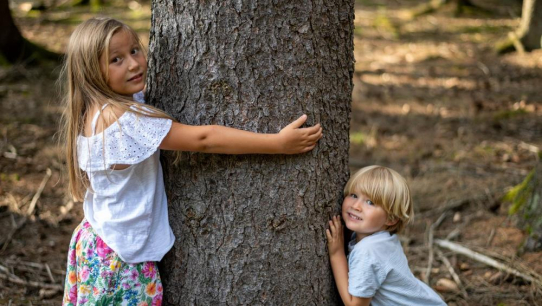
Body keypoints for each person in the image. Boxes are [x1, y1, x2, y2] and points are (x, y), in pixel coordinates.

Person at [60, 17, 322, 305]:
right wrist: (276, 143)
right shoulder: (123, 120)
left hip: (95, 241)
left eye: (135, 50)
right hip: (120, 258)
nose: (134, 64)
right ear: (90, 71)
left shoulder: (96, 109)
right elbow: (203, 139)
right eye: (116, 59)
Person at [326, 165, 446, 306]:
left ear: (391, 219)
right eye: (354, 195)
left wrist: (336, 253)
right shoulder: (384, 239)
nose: (356, 206)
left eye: (370, 202)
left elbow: (355, 305)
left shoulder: (368, 251)